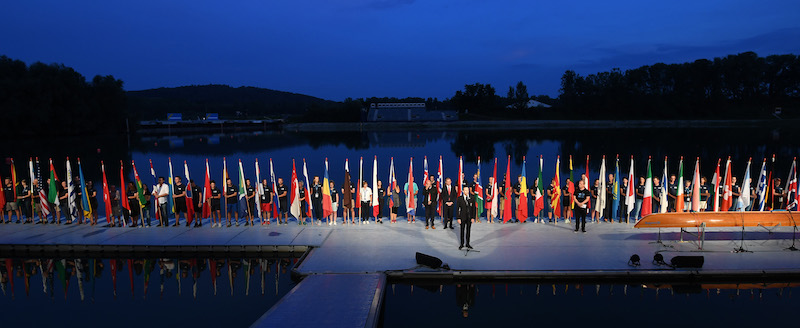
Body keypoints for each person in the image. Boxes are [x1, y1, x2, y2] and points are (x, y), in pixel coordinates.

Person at [457, 186, 474, 250]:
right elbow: (457, 209)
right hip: (462, 217)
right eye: (465, 190)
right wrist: (458, 218)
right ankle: (462, 244)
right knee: (462, 230)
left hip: (469, 217)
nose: (467, 192)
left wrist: (472, 217)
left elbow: (473, 208)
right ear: (463, 191)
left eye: (467, 190)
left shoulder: (471, 198)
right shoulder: (459, 198)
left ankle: (467, 243)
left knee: (468, 231)